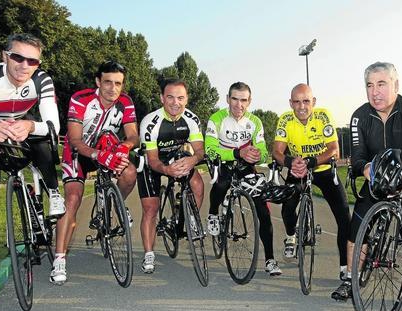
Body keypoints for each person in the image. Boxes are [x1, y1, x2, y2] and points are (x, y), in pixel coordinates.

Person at [0, 33, 65, 272]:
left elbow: (53, 126)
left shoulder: (42, 80)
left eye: (33, 61)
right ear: (5, 56)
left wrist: (29, 126)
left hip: (21, 121)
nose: (24, 66)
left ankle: (53, 192)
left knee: (42, 140)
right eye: (18, 57)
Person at [331, 62, 402, 306]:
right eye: (370, 85)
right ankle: (350, 278)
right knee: (356, 229)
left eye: (382, 84)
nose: (375, 92)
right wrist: (368, 171)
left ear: (396, 84)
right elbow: (358, 156)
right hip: (376, 179)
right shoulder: (359, 116)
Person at [50, 61, 138, 285]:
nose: (113, 88)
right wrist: (98, 156)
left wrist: (123, 147)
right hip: (80, 153)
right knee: (72, 198)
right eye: (108, 82)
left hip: (106, 148)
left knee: (129, 173)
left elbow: (133, 136)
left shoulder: (126, 102)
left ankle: (114, 204)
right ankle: (59, 259)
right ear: (98, 82)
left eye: (118, 83)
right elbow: (76, 139)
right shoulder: (81, 99)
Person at [272, 83, 350, 278]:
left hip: (322, 169)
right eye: (296, 102)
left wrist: (312, 161)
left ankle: (344, 267)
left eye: (306, 101)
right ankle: (291, 237)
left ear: (313, 102)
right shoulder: (285, 119)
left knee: (344, 217)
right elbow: (277, 152)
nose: (301, 107)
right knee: (287, 208)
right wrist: (290, 162)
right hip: (298, 170)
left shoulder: (323, 116)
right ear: (290, 103)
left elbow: (334, 150)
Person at [205, 81, 281, 276]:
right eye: (235, 99)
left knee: (263, 211)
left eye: (244, 100)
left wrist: (258, 155)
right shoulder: (217, 118)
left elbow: (264, 151)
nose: (239, 105)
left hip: (246, 166)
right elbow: (211, 150)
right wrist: (238, 153)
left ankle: (270, 260)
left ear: (249, 101)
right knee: (221, 183)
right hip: (226, 162)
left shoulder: (255, 121)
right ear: (228, 99)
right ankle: (214, 213)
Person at [137, 78, 205, 274]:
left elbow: (199, 151)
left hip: (177, 155)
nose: (176, 102)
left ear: (186, 99)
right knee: (151, 208)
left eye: (180, 98)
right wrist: (167, 171)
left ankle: (190, 218)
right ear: (162, 98)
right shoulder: (150, 122)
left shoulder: (192, 119)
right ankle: (149, 253)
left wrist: (192, 160)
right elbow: (153, 160)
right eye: (170, 97)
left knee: (198, 185)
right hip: (153, 161)